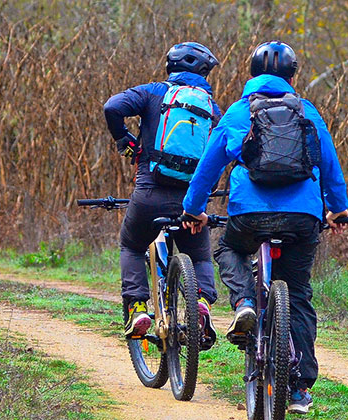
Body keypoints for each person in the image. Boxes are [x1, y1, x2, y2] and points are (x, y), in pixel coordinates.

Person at [182, 41, 348, 415]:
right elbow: (329, 163)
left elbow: (208, 167)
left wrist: (193, 209)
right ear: (292, 75)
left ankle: (245, 303)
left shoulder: (239, 111)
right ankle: (300, 387)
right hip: (302, 217)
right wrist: (338, 209)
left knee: (229, 249)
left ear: (252, 74)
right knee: (298, 294)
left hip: (249, 214)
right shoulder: (307, 110)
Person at [102, 42, 222, 345]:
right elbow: (220, 153)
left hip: (149, 194)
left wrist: (123, 139)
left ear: (170, 67)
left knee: (131, 245)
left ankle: (137, 308)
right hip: (189, 202)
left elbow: (112, 107)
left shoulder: (153, 92)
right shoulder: (211, 108)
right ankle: (202, 303)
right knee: (199, 256)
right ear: (204, 73)